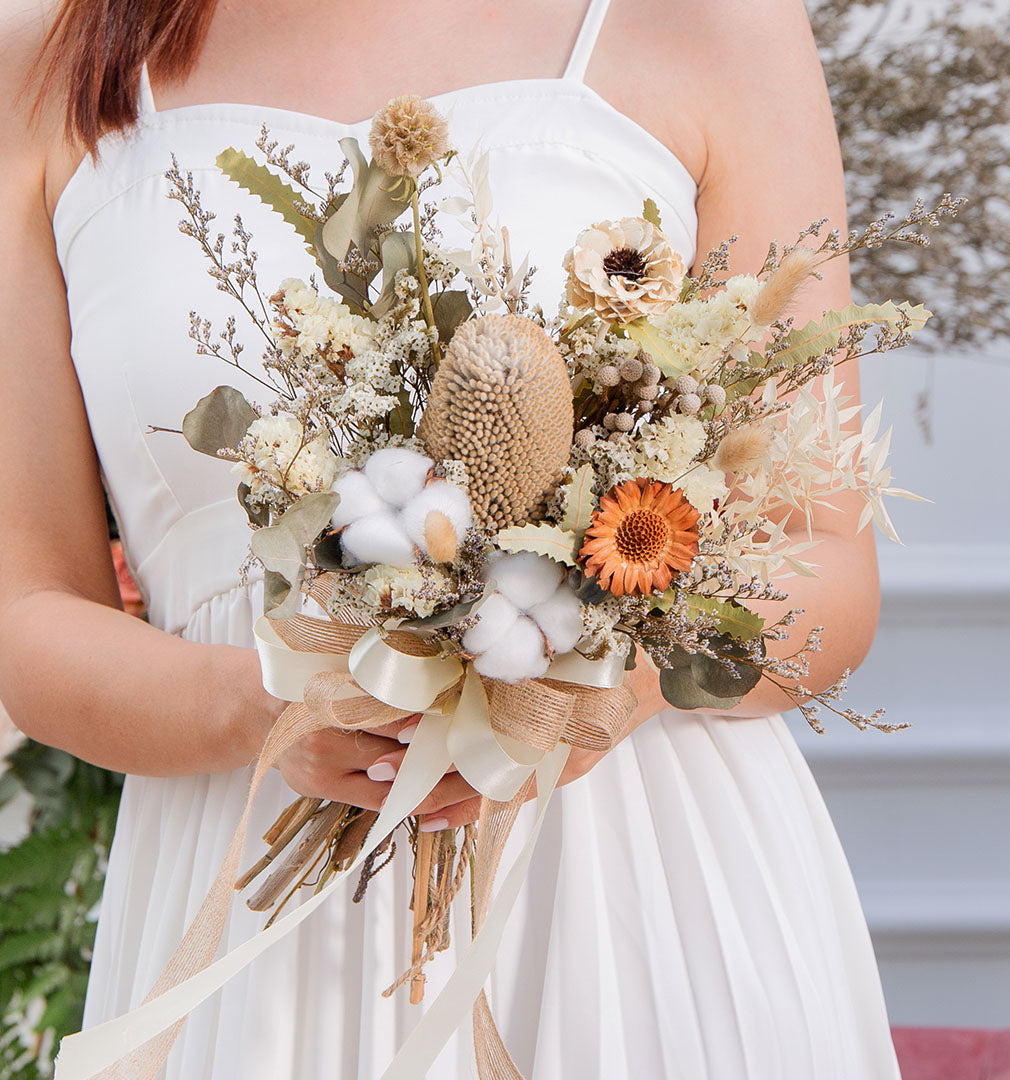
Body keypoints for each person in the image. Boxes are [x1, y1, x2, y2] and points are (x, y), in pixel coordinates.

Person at [0, 0, 902, 1075]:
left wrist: (604, 691)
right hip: (248, 900)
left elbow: (824, 563)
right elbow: (27, 611)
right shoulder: (44, 50)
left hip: (642, 897)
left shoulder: (714, 22)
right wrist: (267, 706)